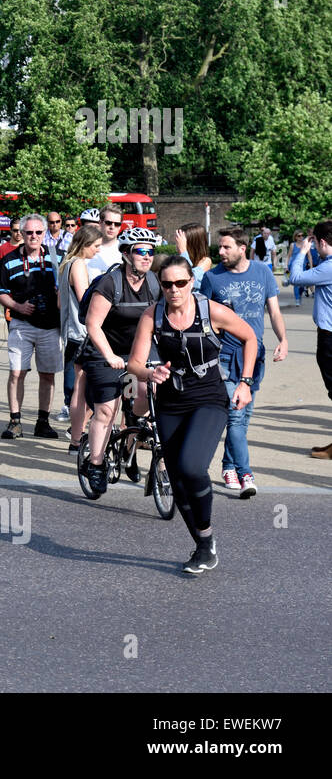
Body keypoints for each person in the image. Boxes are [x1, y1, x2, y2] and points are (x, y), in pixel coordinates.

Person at [129, 255, 257, 573]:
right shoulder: (153, 315)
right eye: (167, 284)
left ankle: (204, 538)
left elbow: (250, 337)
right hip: (170, 401)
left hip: (209, 398)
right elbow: (134, 363)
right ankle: (204, 543)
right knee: (177, 479)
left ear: (191, 282)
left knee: (191, 465)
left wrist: (245, 382)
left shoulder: (210, 310)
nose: (174, 290)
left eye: (181, 283)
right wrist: (149, 374)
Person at [199, 228, 288, 497]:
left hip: (255, 355)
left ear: (242, 247)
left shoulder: (262, 272)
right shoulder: (212, 278)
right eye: (220, 248)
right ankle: (245, 473)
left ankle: (228, 466)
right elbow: (202, 318)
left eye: (226, 247)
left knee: (244, 416)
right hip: (224, 356)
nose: (221, 252)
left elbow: (273, 310)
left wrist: (282, 339)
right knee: (236, 417)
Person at [78, 227, 161, 489]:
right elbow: (93, 325)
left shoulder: (155, 283)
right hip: (105, 351)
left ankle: (131, 438)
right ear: (126, 253)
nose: (147, 257)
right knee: (106, 410)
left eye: (151, 252)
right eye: (140, 251)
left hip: (139, 350)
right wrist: (110, 356)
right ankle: (97, 463)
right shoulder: (110, 283)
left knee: (152, 390)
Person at [0, 214, 63, 439]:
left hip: (50, 326)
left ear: (44, 234)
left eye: (38, 232)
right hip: (21, 325)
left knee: (48, 375)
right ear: (21, 234)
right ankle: (15, 421)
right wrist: (17, 306)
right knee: (16, 372)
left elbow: (69, 287)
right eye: (29, 232)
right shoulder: (9, 259)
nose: (33, 236)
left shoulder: (57, 258)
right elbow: (0, 291)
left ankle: (43, 421)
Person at [289, 222, 332, 458]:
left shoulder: (329, 268)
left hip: (329, 336)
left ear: (322, 242)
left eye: (315, 242)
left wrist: (302, 252)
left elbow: (296, 277)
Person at [57, 224, 102, 450]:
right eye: (95, 246)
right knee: (83, 388)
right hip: (82, 333)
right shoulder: (79, 265)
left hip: (70, 333)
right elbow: (85, 299)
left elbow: (59, 302)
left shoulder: (66, 264)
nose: (98, 251)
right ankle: (77, 434)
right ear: (84, 245)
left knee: (79, 386)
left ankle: (76, 436)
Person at [87, 203, 126, 281]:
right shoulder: (86, 248)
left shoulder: (125, 252)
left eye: (117, 224)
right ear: (100, 223)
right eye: (108, 223)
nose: (112, 227)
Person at [175, 224, 213, 290]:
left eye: (180, 243)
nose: (177, 246)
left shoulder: (206, 261)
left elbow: (191, 280)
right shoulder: (179, 258)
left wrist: (183, 251)